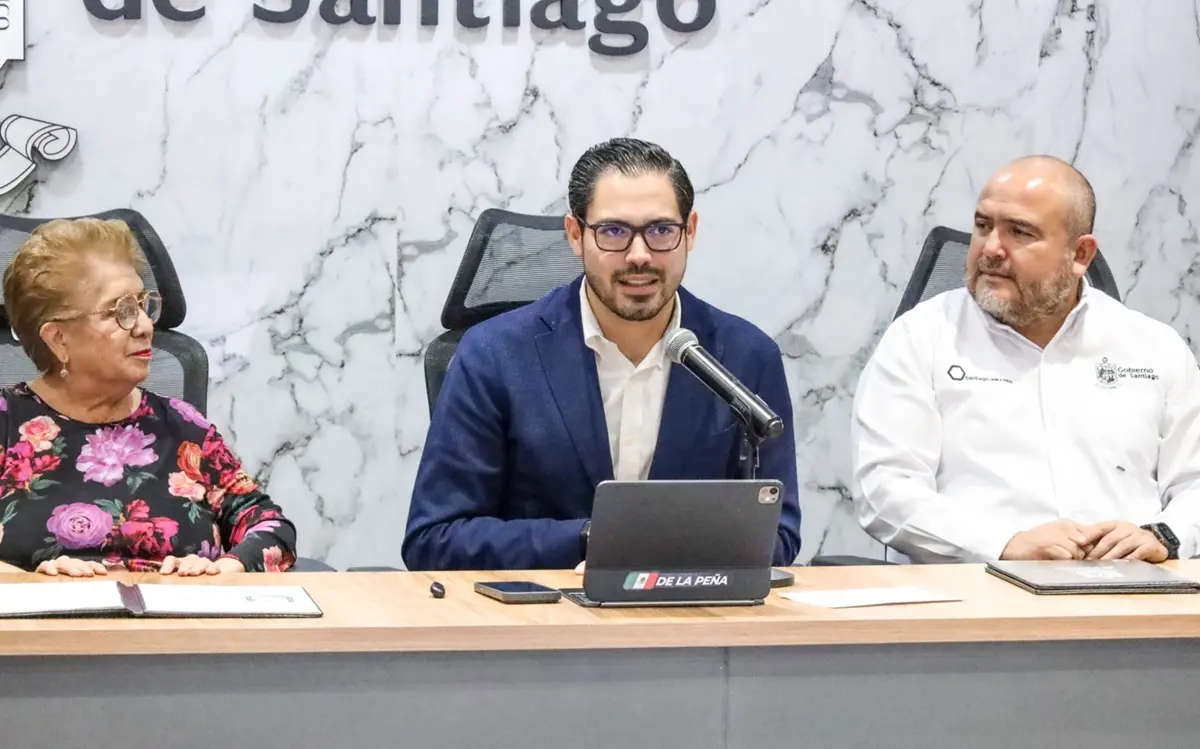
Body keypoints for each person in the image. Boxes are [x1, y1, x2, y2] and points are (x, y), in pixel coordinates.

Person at [404, 137, 801, 570]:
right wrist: (594, 539)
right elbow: (435, 538)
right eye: (613, 231)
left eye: (661, 230)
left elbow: (777, 534)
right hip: (542, 623)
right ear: (575, 235)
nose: (639, 255)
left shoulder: (744, 357)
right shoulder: (494, 355)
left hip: (694, 624)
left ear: (690, 232)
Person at [851, 155, 1200, 564]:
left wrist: (1164, 536)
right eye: (983, 226)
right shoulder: (921, 337)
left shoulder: (1154, 346)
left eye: (1019, 232)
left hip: (1132, 594)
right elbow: (886, 489)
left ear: (1081, 254)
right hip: (977, 596)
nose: (990, 249)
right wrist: (1004, 544)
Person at [0, 218, 296, 576]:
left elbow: (271, 528)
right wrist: (27, 581)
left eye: (142, 305)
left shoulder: (184, 427)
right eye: (120, 311)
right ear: (58, 338)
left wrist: (224, 570)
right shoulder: (7, 422)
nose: (143, 325)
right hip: (41, 630)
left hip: (174, 627)